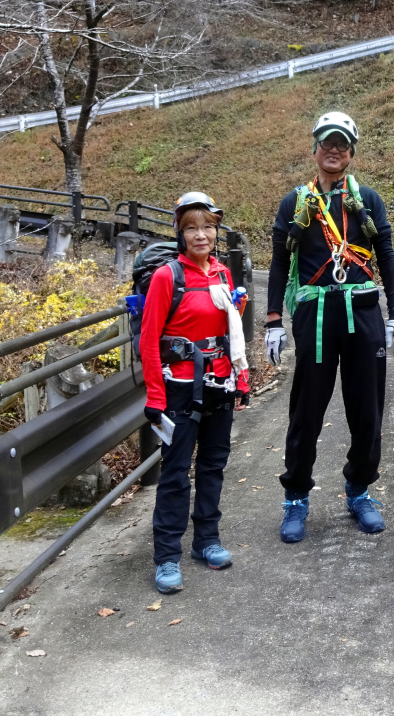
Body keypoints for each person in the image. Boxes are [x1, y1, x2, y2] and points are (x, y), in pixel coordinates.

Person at [265, 111, 394, 544]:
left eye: (342, 143)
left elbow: (385, 253)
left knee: (367, 409)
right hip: (316, 316)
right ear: (314, 147)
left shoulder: (368, 200)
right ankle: (296, 498)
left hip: (362, 312)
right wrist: (273, 320)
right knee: (306, 409)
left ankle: (359, 489)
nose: (334, 149)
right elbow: (278, 261)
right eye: (327, 141)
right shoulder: (295, 202)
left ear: (352, 151)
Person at [140, 192, 249, 593]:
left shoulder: (221, 273)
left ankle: (207, 541)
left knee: (213, 466)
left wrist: (241, 379)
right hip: (180, 388)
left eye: (207, 226)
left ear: (216, 230)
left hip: (219, 383)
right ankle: (167, 557)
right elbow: (149, 340)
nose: (200, 235)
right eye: (191, 228)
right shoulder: (168, 276)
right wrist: (155, 396)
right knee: (174, 473)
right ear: (180, 233)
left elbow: (231, 334)